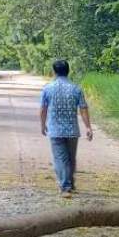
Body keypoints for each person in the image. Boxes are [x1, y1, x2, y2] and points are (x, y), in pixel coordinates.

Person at [39, 59, 92, 196]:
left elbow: (43, 109)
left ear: (54, 72)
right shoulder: (76, 88)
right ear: (68, 71)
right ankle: (70, 183)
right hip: (72, 130)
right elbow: (83, 108)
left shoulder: (47, 88)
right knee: (70, 158)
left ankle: (65, 187)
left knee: (60, 158)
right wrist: (88, 127)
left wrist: (43, 125)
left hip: (55, 130)